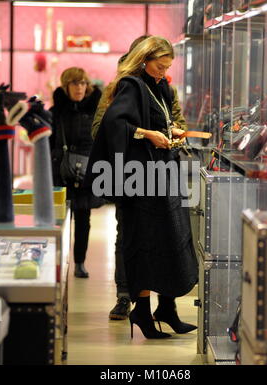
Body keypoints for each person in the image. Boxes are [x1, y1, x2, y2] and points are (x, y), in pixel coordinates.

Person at [85, 36, 198, 339]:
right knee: (146, 244)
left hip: (159, 177)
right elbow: (113, 125)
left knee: (168, 240)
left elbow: (163, 116)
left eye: (167, 67)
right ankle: (143, 313)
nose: (164, 72)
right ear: (145, 59)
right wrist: (149, 134)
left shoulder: (159, 87)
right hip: (142, 183)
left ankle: (165, 309)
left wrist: (170, 130)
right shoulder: (130, 86)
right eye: (160, 66)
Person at [50, 67, 102, 278]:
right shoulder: (56, 112)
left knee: (83, 220)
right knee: (59, 220)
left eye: (82, 83)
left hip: (86, 173)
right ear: (66, 86)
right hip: (60, 172)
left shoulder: (95, 111)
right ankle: (56, 263)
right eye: (74, 83)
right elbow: (48, 142)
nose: (79, 88)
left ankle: (79, 262)